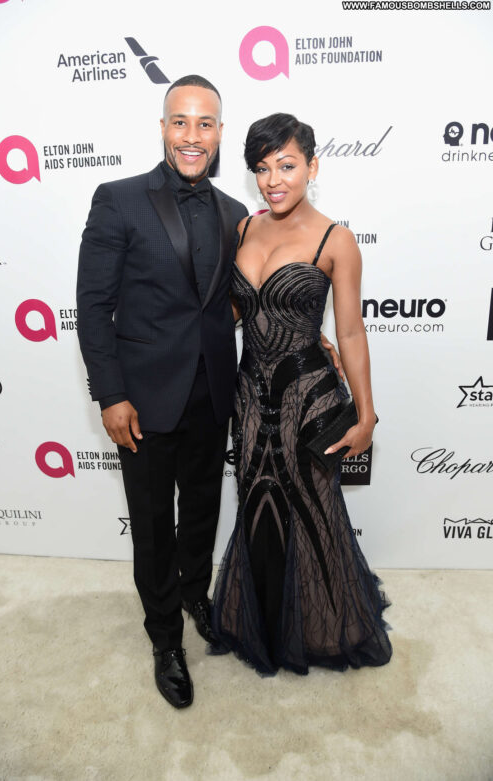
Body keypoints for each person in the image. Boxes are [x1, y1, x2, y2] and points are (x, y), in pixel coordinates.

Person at [77, 77, 342, 707]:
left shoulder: (234, 216)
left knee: (200, 509)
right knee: (152, 525)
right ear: (163, 127)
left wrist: (307, 332)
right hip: (142, 400)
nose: (192, 135)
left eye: (205, 124)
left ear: (220, 133)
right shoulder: (117, 199)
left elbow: (241, 298)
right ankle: (164, 639)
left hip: (216, 393)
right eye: (181, 121)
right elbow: (92, 307)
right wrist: (110, 395)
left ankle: (196, 595)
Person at [211, 113, 393, 675]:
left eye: (287, 166)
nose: (273, 180)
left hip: (308, 399)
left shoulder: (336, 240)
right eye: (262, 168)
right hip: (250, 395)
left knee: (314, 510)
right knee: (256, 502)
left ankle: (320, 626)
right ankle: (265, 622)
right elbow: (239, 310)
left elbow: (351, 332)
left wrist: (366, 414)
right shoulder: (244, 229)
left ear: (313, 167)